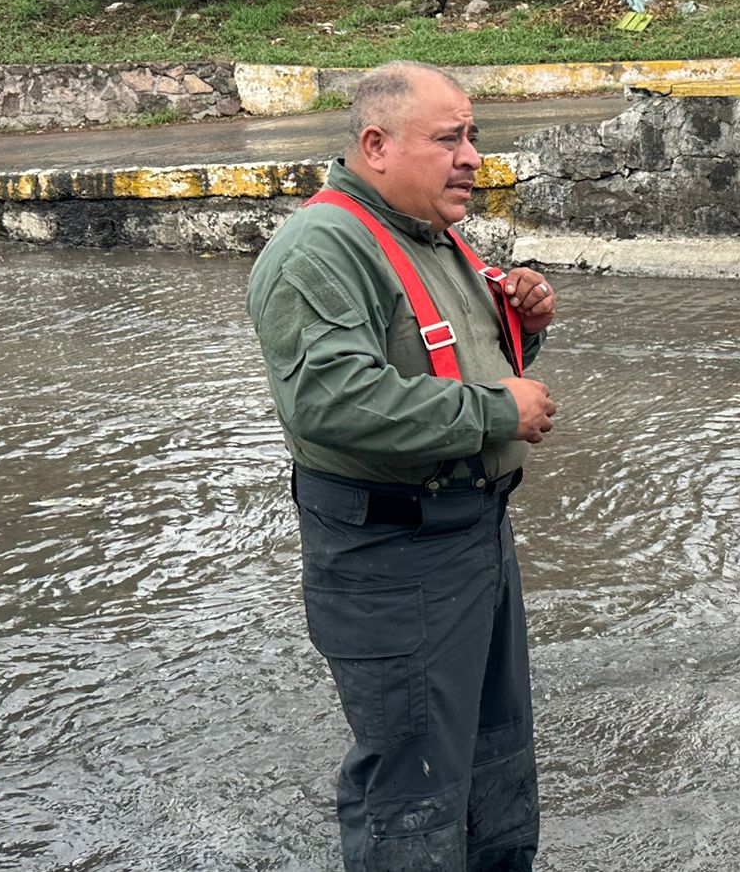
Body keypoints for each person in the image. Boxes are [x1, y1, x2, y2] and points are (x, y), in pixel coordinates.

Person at [245, 60, 558, 871]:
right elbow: (333, 400)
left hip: (474, 536)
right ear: (376, 145)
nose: (472, 157)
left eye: (474, 137)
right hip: (395, 559)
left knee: (495, 762)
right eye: (450, 138)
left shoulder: (435, 236)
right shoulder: (319, 248)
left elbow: (448, 364)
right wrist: (500, 411)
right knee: (412, 790)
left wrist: (522, 322)